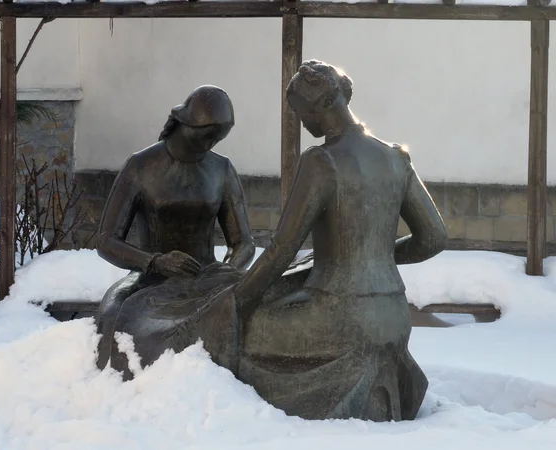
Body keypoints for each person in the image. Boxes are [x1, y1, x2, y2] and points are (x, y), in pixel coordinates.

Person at [230, 60, 448, 421]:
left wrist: (237, 299)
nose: (302, 122)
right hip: (394, 317)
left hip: (340, 316)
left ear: (321, 106)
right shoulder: (395, 156)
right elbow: (435, 237)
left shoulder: (321, 161)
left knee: (247, 326)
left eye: (301, 113)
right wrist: (380, 256)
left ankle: (256, 415)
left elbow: (282, 249)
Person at [94, 85, 255, 370]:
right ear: (186, 123)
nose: (212, 144)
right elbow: (106, 240)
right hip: (151, 282)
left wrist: (229, 267)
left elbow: (243, 241)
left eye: (218, 138)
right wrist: (155, 262)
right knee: (117, 322)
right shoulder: (141, 166)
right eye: (207, 135)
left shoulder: (222, 169)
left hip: (208, 280)